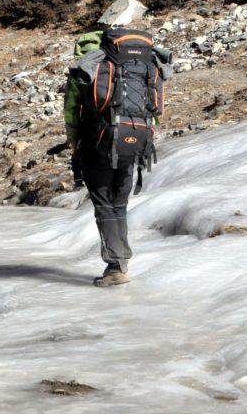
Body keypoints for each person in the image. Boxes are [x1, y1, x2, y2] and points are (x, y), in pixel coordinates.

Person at [63, 20, 171, 287]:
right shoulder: (144, 63)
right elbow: (153, 109)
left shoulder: (90, 64)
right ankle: (120, 261)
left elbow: (71, 111)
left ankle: (116, 266)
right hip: (136, 139)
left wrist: (74, 143)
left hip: (96, 140)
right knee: (119, 203)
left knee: (104, 201)